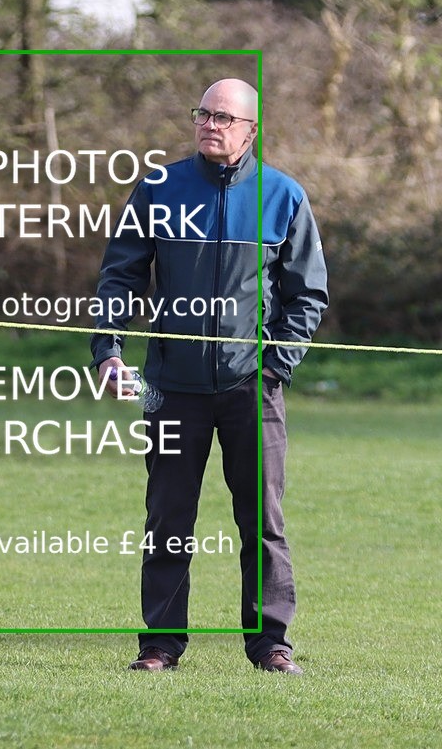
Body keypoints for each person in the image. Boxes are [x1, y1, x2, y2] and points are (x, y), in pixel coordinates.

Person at [90, 78, 328, 674]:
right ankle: (160, 645)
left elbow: (308, 294)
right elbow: (120, 277)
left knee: (262, 522)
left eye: (224, 117)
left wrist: (277, 363)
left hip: (254, 388)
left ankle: (270, 643)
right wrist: (109, 351)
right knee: (168, 520)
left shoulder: (283, 196)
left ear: (251, 130)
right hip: (169, 387)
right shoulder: (158, 189)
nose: (209, 124)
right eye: (203, 113)